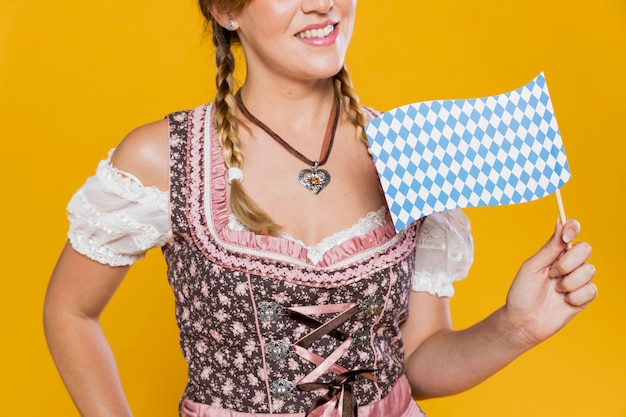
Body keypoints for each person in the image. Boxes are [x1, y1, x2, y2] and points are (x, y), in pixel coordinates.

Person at [43, 1, 597, 416]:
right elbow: (70, 312)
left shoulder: (408, 150)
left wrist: (515, 328)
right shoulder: (162, 158)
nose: (323, 3)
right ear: (226, 10)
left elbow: (418, 360)